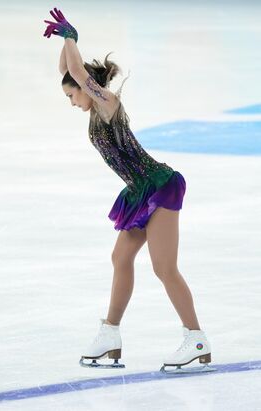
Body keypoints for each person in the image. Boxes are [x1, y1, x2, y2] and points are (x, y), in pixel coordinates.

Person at [43, 7, 213, 373]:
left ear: (87, 89)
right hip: (138, 191)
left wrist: (72, 35)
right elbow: (66, 71)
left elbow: (75, 72)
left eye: (71, 96)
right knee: (120, 259)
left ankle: (196, 339)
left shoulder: (108, 104)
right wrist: (65, 41)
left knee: (164, 268)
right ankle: (110, 336)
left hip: (159, 186)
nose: (71, 102)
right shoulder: (93, 109)